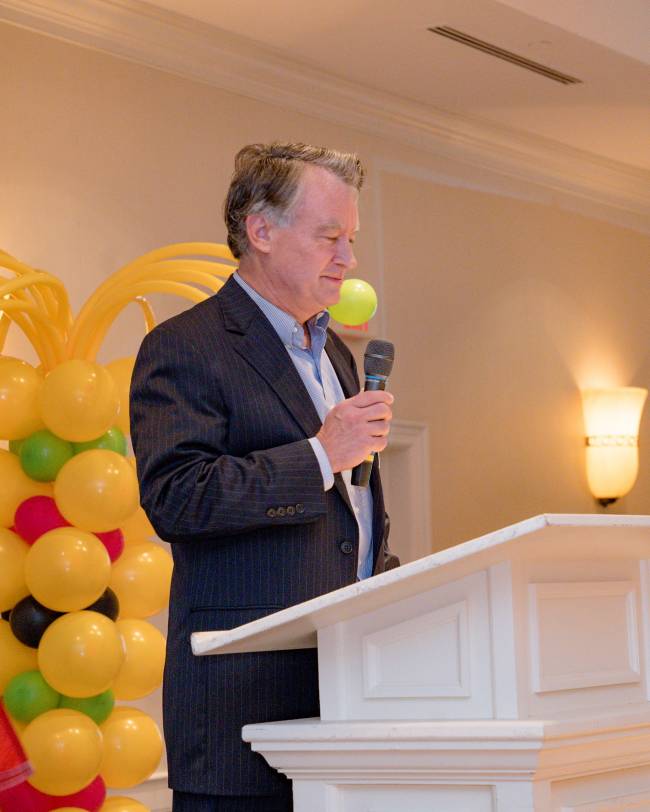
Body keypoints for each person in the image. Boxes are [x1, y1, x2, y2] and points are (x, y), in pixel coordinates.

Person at [130, 142, 398, 812]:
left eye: (352, 239)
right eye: (330, 237)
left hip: (346, 704)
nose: (348, 259)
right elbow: (177, 497)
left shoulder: (335, 353)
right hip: (242, 718)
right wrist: (318, 455)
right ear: (261, 231)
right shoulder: (186, 346)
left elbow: (350, 527)